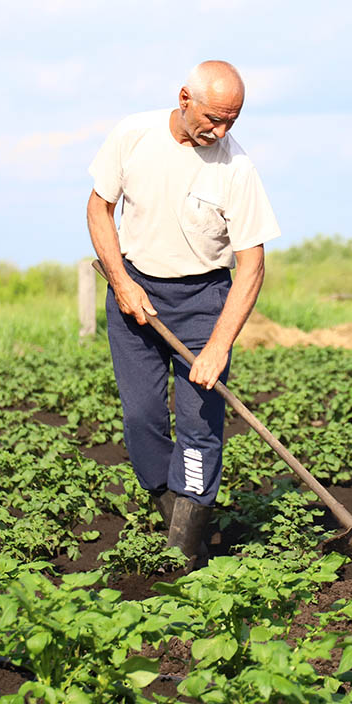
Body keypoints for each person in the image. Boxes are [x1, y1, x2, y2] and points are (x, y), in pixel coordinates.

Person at [86, 60, 280, 567]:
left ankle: (183, 551)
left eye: (231, 121)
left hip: (203, 302)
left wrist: (217, 346)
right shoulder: (133, 135)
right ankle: (185, 520)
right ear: (184, 97)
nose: (220, 130)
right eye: (213, 118)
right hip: (136, 294)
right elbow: (98, 208)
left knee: (199, 427)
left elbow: (252, 264)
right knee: (142, 418)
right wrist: (123, 282)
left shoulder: (236, 168)